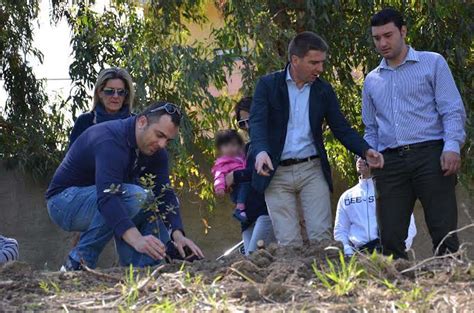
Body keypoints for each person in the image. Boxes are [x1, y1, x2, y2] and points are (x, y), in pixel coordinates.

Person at [250, 31, 384, 246]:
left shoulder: (324, 90)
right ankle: (293, 280)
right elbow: (256, 123)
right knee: (288, 242)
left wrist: (365, 150)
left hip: (312, 170)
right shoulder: (268, 85)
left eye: (322, 62)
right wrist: (261, 151)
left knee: (321, 238)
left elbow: (341, 128)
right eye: (314, 63)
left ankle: (325, 280)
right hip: (276, 172)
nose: (320, 69)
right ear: (295, 60)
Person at [46, 102, 204, 270]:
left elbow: (164, 194)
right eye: (159, 135)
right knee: (135, 196)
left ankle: (140, 270)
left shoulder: (156, 152)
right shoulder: (110, 138)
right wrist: (137, 239)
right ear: (142, 122)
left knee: (149, 201)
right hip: (63, 203)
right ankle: (77, 262)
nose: (162, 144)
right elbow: (108, 197)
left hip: (103, 199)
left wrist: (177, 235)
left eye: (167, 140)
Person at [362, 8, 466, 259]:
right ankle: (399, 291)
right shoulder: (371, 80)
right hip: (390, 163)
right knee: (389, 236)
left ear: (403, 31)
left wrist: (451, 146)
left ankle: (450, 288)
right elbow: (371, 128)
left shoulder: (433, 63)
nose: (383, 43)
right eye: (377, 38)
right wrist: (366, 153)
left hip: (431, 155)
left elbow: (452, 110)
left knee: (443, 232)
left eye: (388, 35)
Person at [224, 97, 276, 255]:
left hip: (265, 212)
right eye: (242, 123)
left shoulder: (272, 142)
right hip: (247, 218)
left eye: (250, 120)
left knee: (254, 258)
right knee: (250, 263)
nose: (247, 126)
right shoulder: (246, 148)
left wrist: (235, 175)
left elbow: (263, 172)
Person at [334, 158, 417, 256]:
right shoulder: (346, 197)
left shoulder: (392, 191)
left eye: (364, 157)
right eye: (357, 156)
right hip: (359, 256)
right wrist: (347, 250)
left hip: (389, 253)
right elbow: (341, 230)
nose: (359, 160)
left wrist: (399, 248)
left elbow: (408, 224)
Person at [69, 67, 135, 147]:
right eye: (109, 91)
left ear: (126, 95)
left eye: (121, 92)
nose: (115, 96)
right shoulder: (85, 122)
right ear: (99, 92)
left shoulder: (135, 123)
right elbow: (72, 157)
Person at [212, 129, 250, 223]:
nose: (230, 148)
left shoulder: (241, 158)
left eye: (233, 145)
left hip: (244, 189)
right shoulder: (222, 162)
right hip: (237, 189)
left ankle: (242, 209)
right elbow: (219, 175)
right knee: (245, 183)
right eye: (226, 146)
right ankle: (239, 208)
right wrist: (219, 187)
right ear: (220, 148)